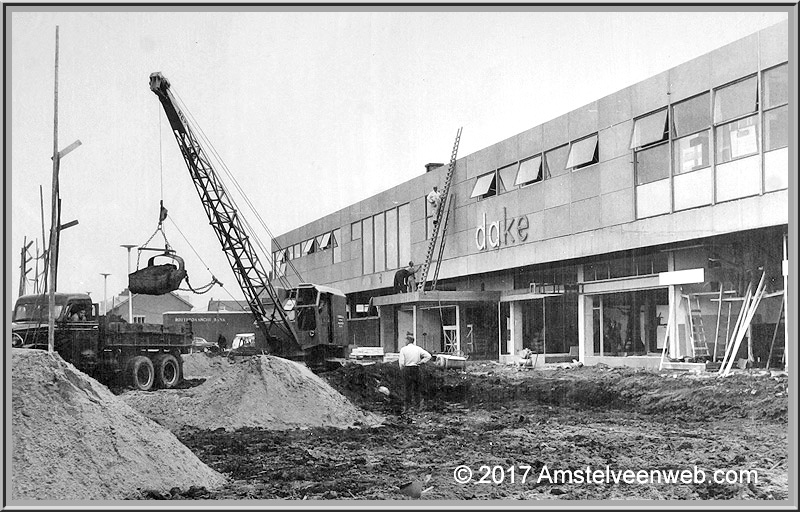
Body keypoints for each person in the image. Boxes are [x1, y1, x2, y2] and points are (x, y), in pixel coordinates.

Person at [398, 331, 432, 412]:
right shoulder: (418, 349)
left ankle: (407, 408)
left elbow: (401, 363)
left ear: (408, 341)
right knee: (416, 389)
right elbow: (428, 356)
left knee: (407, 389)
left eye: (406, 340)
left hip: (407, 369)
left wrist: (402, 369)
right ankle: (417, 407)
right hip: (416, 369)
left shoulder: (403, 349)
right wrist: (421, 362)